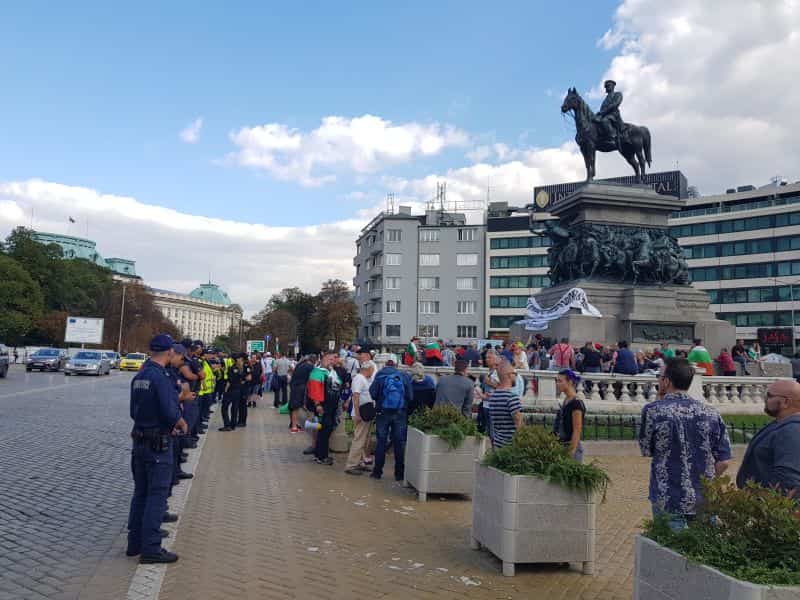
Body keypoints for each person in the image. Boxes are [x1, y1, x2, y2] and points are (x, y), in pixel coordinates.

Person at [639, 358, 732, 530]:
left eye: (660, 377)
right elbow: (724, 461)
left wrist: (660, 398)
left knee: (669, 553)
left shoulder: (653, 411)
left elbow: (646, 449)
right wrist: (706, 481)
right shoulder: (711, 413)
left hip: (668, 496)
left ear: (666, 381)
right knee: (702, 553)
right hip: (704, 499)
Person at [126, 334, 188, 564]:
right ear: (170, 352)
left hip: (139, 439)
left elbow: (133, 411)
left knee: (140, 493)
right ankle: (151, 548)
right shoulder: (161, 378)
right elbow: (170, 411)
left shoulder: (141, 374)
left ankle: (134, 543)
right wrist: (180, 423)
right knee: (156, 496)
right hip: (158, 443)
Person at [736, 379, 800, 496]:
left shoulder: (791, 431)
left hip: (770, 508)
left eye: (770, 396)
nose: (765, 399)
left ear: (786, 402)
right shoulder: (781, 424)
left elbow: (788, 480)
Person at [369, 359, 412, 481]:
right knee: (399, 443)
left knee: (381, 441)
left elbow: (372, 394)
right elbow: (410, 395)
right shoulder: (403, 376)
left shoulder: (380, 375)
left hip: (382, 412)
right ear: (396, 366)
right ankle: (399, 474)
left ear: (384, 365)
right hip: (400, 413)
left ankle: (377, 472)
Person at [345, 361, 377, 476]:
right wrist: (357, 414)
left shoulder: (362, 379)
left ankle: (358, 462)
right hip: (361, 413)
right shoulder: (359, 379)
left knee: (363, 439)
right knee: (359, 439)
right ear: (367, 369)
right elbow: (356, 396)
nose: (372, 373)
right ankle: (351, 464)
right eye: (372, 370)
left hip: (364, 413)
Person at [312, 353, 342, 465]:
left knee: (325, 430)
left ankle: (320, 454)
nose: (332, 360)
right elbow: (315, 389)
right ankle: (321, 456)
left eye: (334, 358)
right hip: (324, 406)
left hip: (331, 406)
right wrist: (318, 405)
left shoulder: (331, 372)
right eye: (330, 358)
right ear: (323, 359)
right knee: (324, 430)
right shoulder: (318, 372)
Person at [486, 359, 524, 448]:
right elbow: (519, 424)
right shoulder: (511, 398)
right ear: (510, 375)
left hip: (497, 443)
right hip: (510, 446)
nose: (516, 376)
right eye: (515, 373)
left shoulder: (493, 397)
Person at [553, 370, 585, 462]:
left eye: (560, 381)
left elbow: (577, 430)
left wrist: (570, 452)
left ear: (570, 382)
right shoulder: (566, 400)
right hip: (562, 444)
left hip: (571, 446)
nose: (557, 384)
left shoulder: (576, 403)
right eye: (557, 381)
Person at [289, 355, 314, 433]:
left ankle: (294, 425)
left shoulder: (299, 364)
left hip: (294, 386)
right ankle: (294, 427)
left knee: (294, 406)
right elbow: (312, 378)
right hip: (300, 388)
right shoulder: (310, 367)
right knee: (296, 407)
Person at [219, 354, 245, 431]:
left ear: (233, 360)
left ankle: (227, 425)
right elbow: (242, 379)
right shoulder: (241, 369)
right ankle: (233, 425)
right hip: (238, 390)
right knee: (234, 408)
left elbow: (230, 380)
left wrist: (225, 390)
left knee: (224, 408)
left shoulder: (231, 368)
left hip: (231, 390)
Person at [237, 354, 253, 426]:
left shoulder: (246, 366)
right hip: (241, 388)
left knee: (243, 405)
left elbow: (249, 377)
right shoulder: (241, 366)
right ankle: (240, 420)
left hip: (244, 388)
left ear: (242, 358)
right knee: (240, 405)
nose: (238, 359)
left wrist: (242, 380)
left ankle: (243, 422)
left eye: (239, 358)